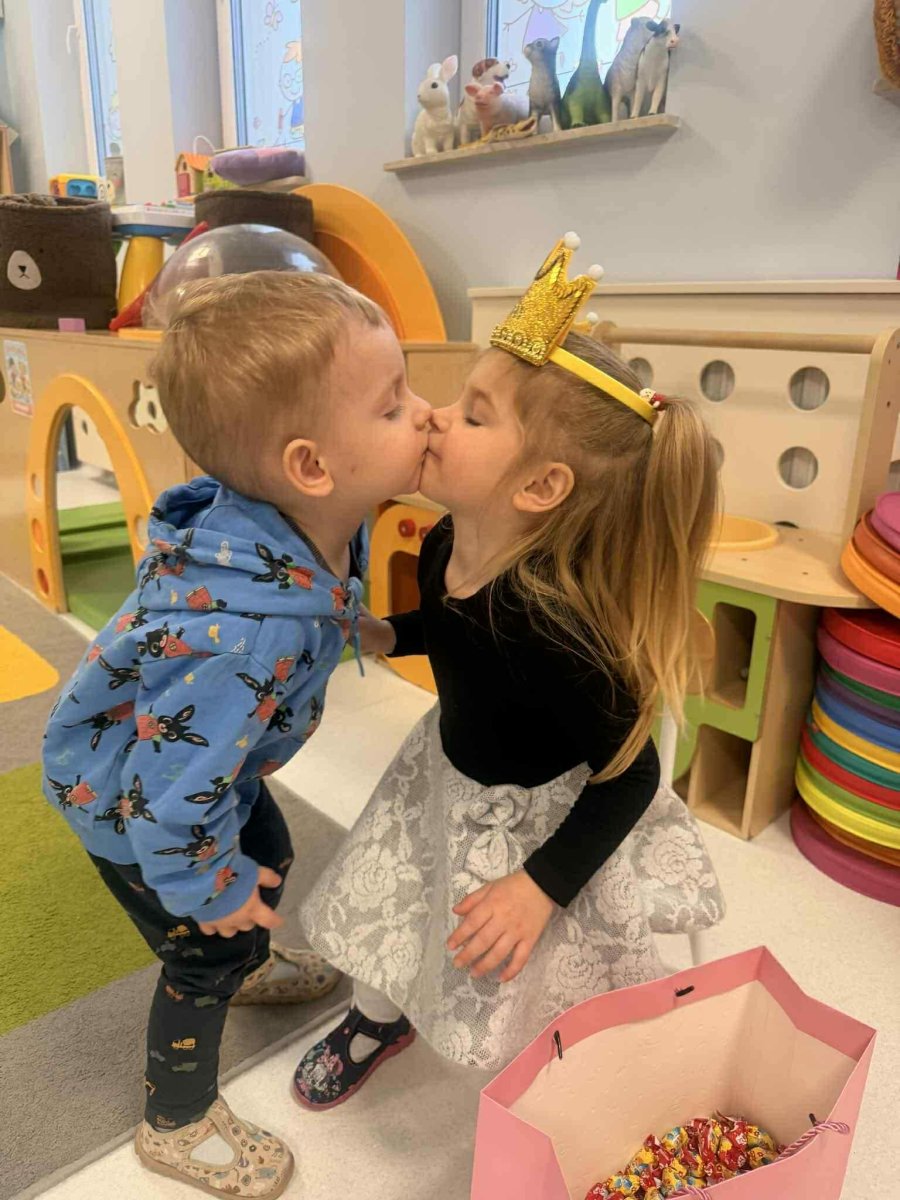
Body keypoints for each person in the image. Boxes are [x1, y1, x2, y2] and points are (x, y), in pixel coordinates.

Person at [294, 236, 725, 1107]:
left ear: (540, 487)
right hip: (441, 776)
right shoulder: (446, 539)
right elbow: (452, 630)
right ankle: (377, 1019)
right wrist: (386, 632)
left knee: (507, 968)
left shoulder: (557, 630)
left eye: (475, 415)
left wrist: (539, 887)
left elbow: (630, 774)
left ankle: (556, 1072)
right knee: (398, 908)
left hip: (536, 823)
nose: (435, 417)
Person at [41, 270, 431, 1197]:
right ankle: (175, 1119)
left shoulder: (309, 520)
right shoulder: (247, 638)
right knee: (203, 946)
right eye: (393, 406)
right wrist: (204, 891)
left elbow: (319, 597)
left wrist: (364, 627)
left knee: (269, 849)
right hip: (134, 798)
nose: (425, 414)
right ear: (311, 466)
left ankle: (244, 955)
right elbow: (168, 801)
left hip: (206, 767)